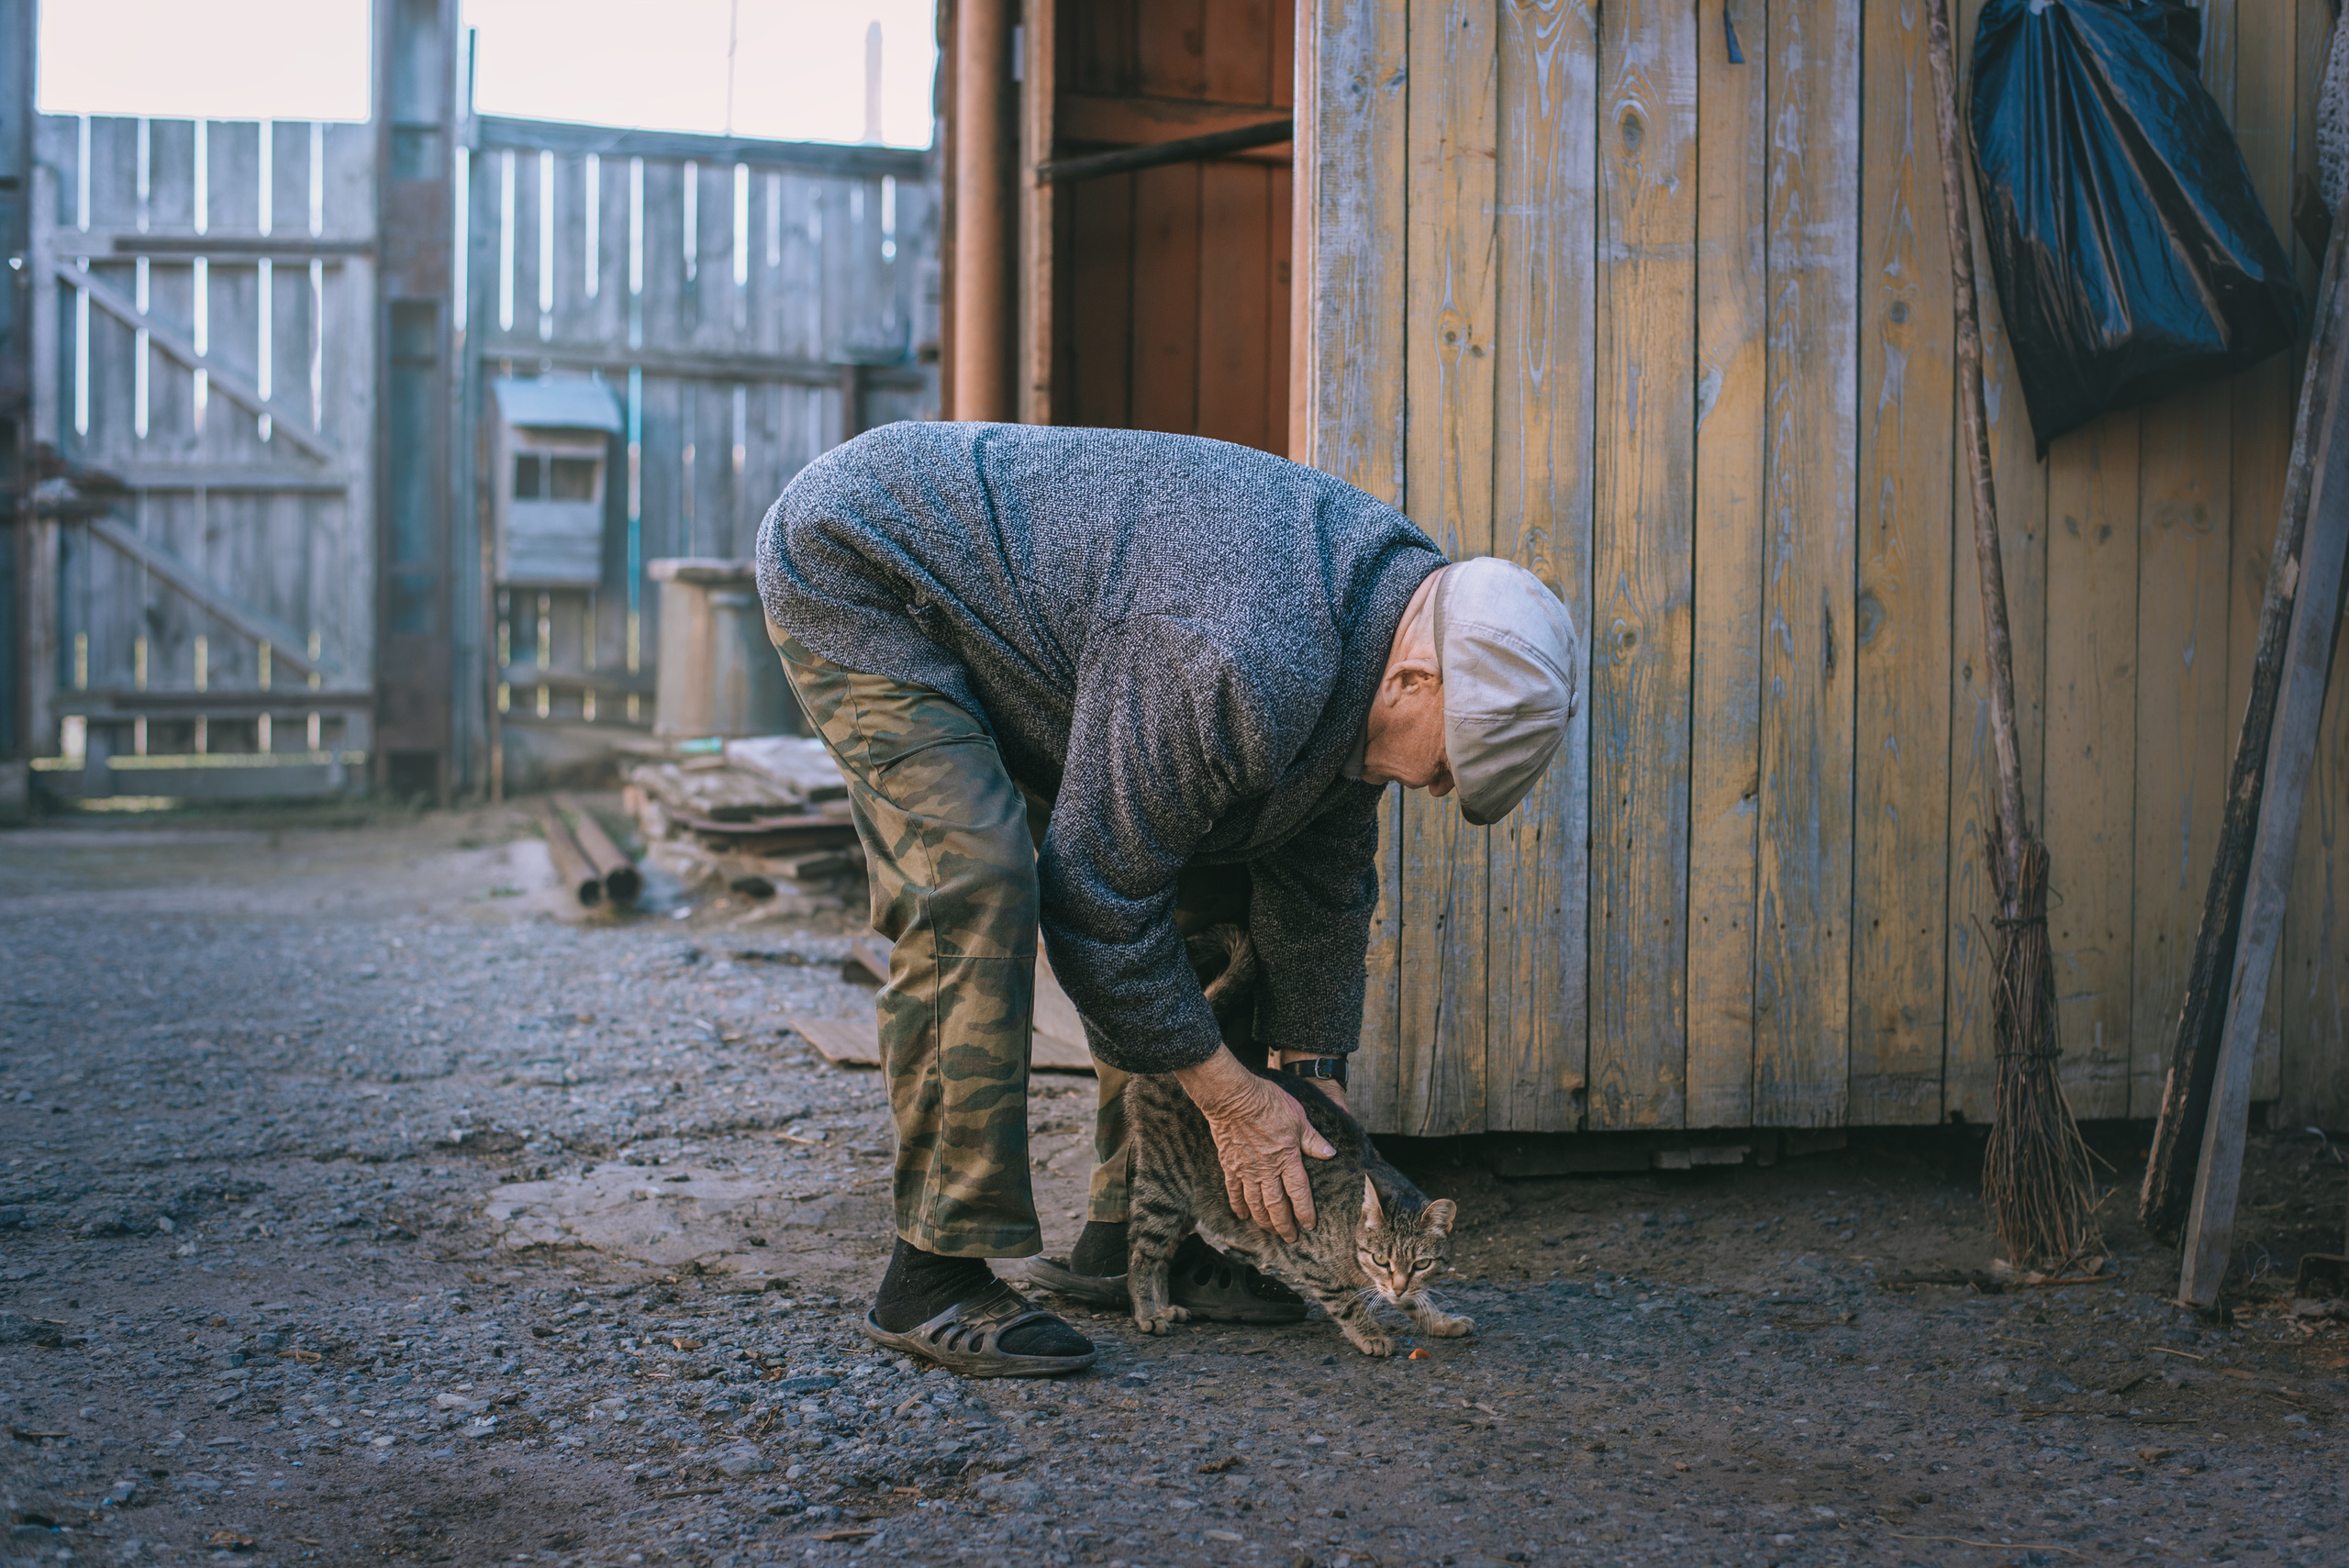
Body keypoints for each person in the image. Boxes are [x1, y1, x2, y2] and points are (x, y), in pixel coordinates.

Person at [756, 422, 1578, 1376]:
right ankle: (931, 1270)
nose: (1437, 789)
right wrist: (1232, 1101)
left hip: (1049, 624)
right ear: (1413, 679)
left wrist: (1309, 1075)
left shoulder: (1389, 616)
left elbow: (1322, 874)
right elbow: (1095, 900)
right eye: (1446, 766)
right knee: (974, 878)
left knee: (1203, 886)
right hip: (868, 565)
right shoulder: (1230, 658)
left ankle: (1127, 1236)